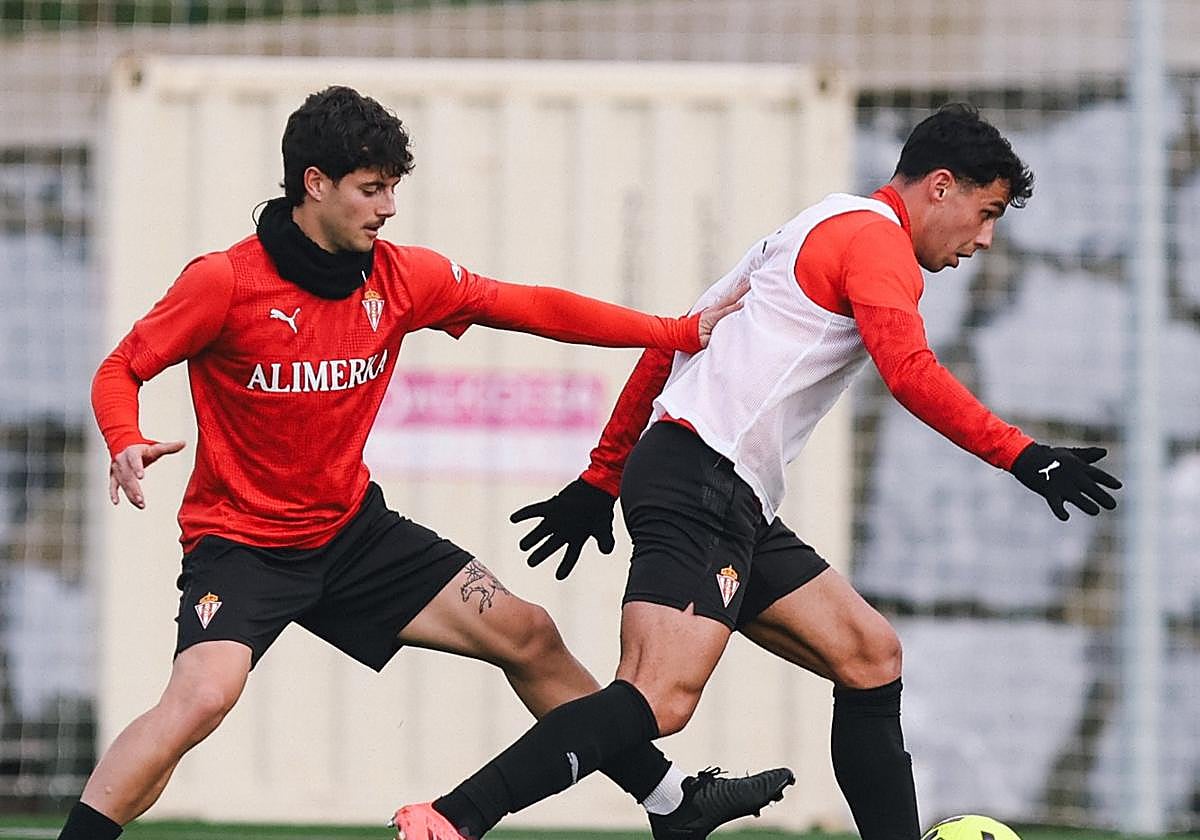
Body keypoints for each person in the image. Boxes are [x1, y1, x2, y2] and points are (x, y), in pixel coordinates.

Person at [57, 85, 797, 840]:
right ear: (314, 184)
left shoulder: (401, 278)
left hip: (352, 534)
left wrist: (674, 328)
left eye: (392, 188)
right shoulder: (225, 283)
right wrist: (123, 437)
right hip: (243, 546)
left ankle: (669, 803)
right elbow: (120, 368)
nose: (388, 208)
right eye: (371, 189)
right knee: (204, 698)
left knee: (528, 632)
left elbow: (531, 306)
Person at [389, 103, 1124, 840]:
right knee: (659, 697)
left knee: (869, 655)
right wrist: (1024, 454)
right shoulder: (879, 246)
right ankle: (453, 819)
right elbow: (908, 371)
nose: (987, 238)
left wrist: (603, 476)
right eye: (986, 211)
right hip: (703, 479)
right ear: (940, 186)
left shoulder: (813, 224)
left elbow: (674, 346)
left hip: (718, 485)